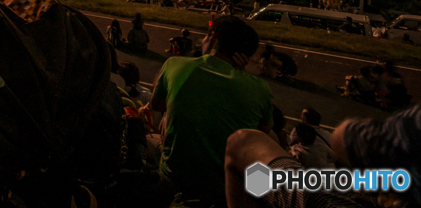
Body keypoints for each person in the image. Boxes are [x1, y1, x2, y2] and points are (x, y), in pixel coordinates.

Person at [151, 16, 273, 206]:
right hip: (223, 191)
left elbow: (157, 105)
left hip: (174, 182)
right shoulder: (260, 88)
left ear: (214, 37)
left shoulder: (174, 64)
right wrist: (242, 76)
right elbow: (263, 131)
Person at [224, 104, 421, 208]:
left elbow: (346, 139)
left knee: (243, 142)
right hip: (339, 178)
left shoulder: (299, 148)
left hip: (327, 183)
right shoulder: (323, 137)